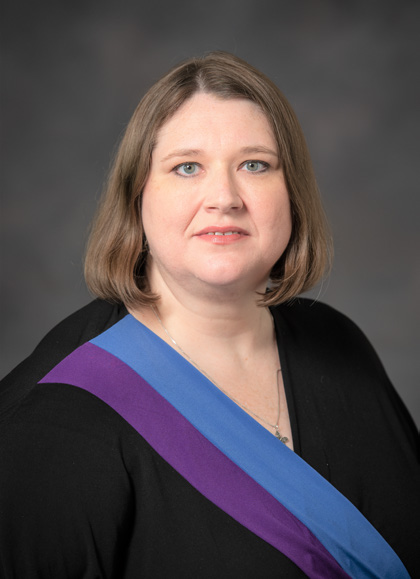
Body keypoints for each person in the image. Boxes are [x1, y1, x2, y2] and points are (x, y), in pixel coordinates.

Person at [0, 51, 419, 579]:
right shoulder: (54, 423)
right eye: (187, 167)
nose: (223, 197)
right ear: (137, 197)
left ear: (291, 192)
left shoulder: (339, 344)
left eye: (254, 164)